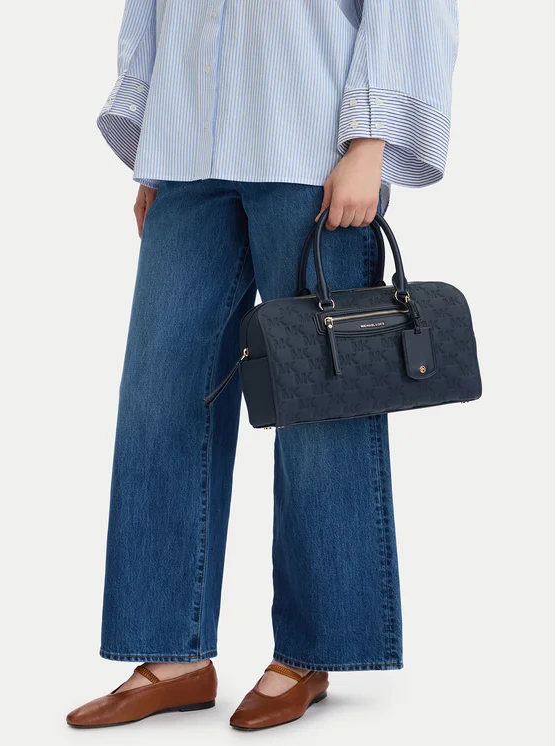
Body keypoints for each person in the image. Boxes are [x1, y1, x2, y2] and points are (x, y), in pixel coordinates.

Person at [67, 0, 458, 731]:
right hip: (187, 153)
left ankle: (311, 653)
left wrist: (370, 143)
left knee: (322, 406)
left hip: (309, 148)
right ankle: (172, 657)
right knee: (160, 399)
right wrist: (153, 145)